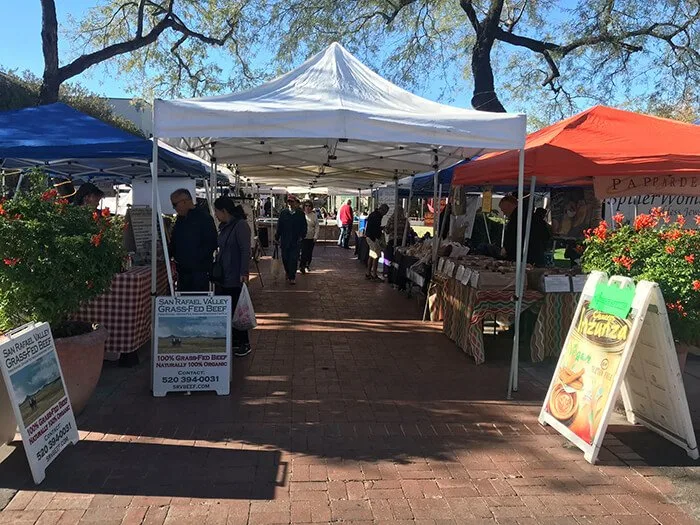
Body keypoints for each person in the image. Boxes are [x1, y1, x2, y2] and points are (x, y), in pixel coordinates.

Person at [213, 197, 252, 357]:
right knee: (228, 309)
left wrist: (243, 272)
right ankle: (234, 341)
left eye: (216, 211)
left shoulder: (240, 225)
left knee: (238, 310)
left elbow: (245, 250)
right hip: (224, 274)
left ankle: (243, 342)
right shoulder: (225, 227)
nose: (215, 215)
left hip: (235, 275)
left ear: (224, 211)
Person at [169, 188, 218, 292]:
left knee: (198, 301)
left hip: (199, 272)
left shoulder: (204, 218)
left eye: (175, 204)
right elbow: (174, 241)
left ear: (184, 201)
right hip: (182, 272)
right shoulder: (180, 220)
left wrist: (196, 259)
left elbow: (212, 243)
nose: (174, 208)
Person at [275, 195, 307, 284]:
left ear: (295, 203)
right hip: (285, 240)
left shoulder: (300, 214)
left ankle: (292, 277)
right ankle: (288, 272)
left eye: (292, 202)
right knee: (285, 259)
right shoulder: (283, 213)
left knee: (293, 259)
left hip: (295, 241)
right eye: (289, 202)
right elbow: (279, 226)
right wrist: (277, 237)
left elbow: (304, 226)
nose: (290, 203)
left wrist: (302, 236)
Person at [365, 204, 389, 281]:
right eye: (385, 212)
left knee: (372, 255)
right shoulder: (377, 216)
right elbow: (375, 229)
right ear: (382, 210)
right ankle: (374, 274)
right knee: (376, 256)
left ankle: (368, 273)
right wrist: (379, 234)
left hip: (369, 236)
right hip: (373, 238)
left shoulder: (373, 214)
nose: (385, 214)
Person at [299, 200, 320, 274]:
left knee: (309, 253)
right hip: (303, 237)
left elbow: (317, 226)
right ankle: (302, 266)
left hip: (311, 237)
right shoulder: (301, 215)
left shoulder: (314, 216)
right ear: (304, 207)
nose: (308, 207)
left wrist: (315, 236)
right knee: (303, 252)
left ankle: (307, 265)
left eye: (309, 206)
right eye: (306, 206)